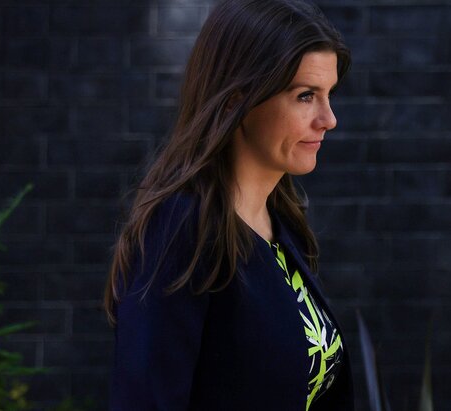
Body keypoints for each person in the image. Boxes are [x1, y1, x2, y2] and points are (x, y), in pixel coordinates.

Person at [103, 0, 353, 409]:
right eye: (306, 96)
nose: (329, 119)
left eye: (329, 95)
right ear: (238, 100)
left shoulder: (282, 223)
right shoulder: (182, 229)